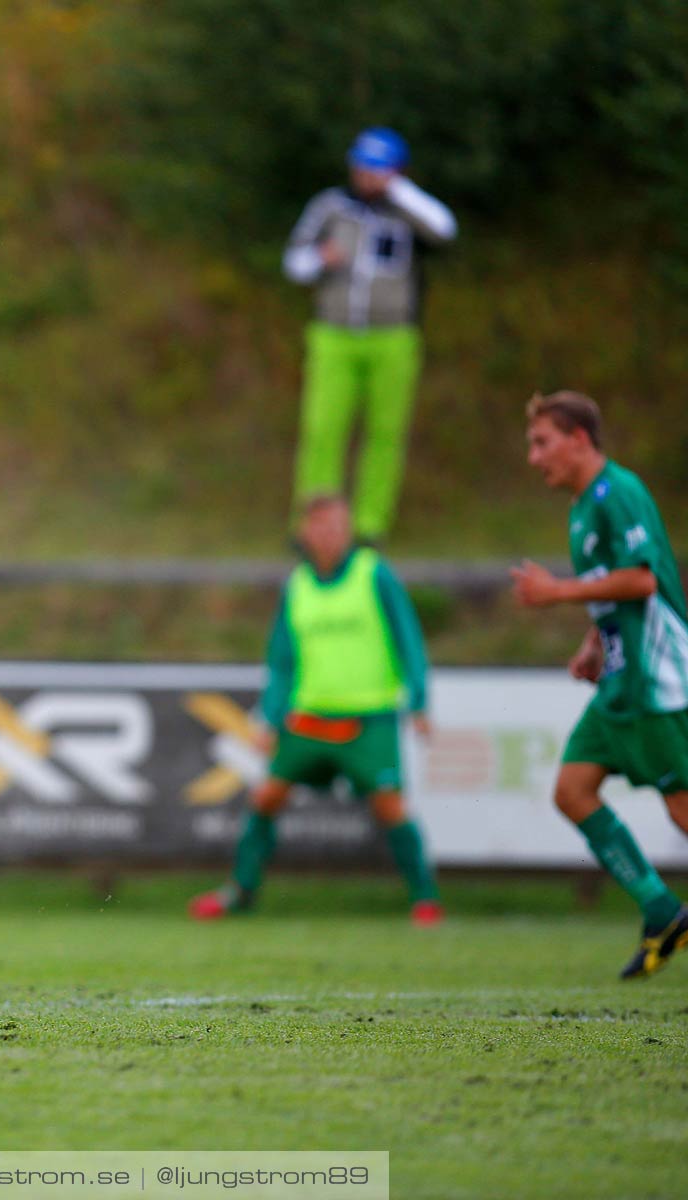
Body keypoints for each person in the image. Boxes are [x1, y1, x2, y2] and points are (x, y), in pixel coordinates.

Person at [190, 494, 441, 923]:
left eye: (337, 527)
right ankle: (241, 891)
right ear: (305, 532)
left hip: (369, 719)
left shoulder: (373, 575)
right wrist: (270, 717)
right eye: (320, 527)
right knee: (266, 796)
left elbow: (409, 640)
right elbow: (282, 661)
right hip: (307, 720)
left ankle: (425, 899)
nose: (328, 536)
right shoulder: (298, 586)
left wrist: (418, 700)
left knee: (390, 806)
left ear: (348, 532)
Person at [511, 390, 688, 979]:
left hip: (652, 678)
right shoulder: (582, 507)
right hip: (616, 677)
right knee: (571, 790)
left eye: (543, 442)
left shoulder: (619, 493)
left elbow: (641, 581)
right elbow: (610, 590)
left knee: (683, 810)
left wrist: (557, 592)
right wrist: (591, 644)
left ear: (579, 439)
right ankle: (661, 908)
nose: (534, 457)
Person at [284, 127, 457, 543]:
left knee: (385, 433)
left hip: (393, 337)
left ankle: (369, 525)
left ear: (397, 173)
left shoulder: (407, 211)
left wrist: (398, 190)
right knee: (323, 429)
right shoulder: (331, 206)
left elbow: (445, 229)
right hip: (334, 334)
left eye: (379, 170)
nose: (368, 178)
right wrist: (319, 259)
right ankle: (314, 524)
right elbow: (294, 262)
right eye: (363, 168)